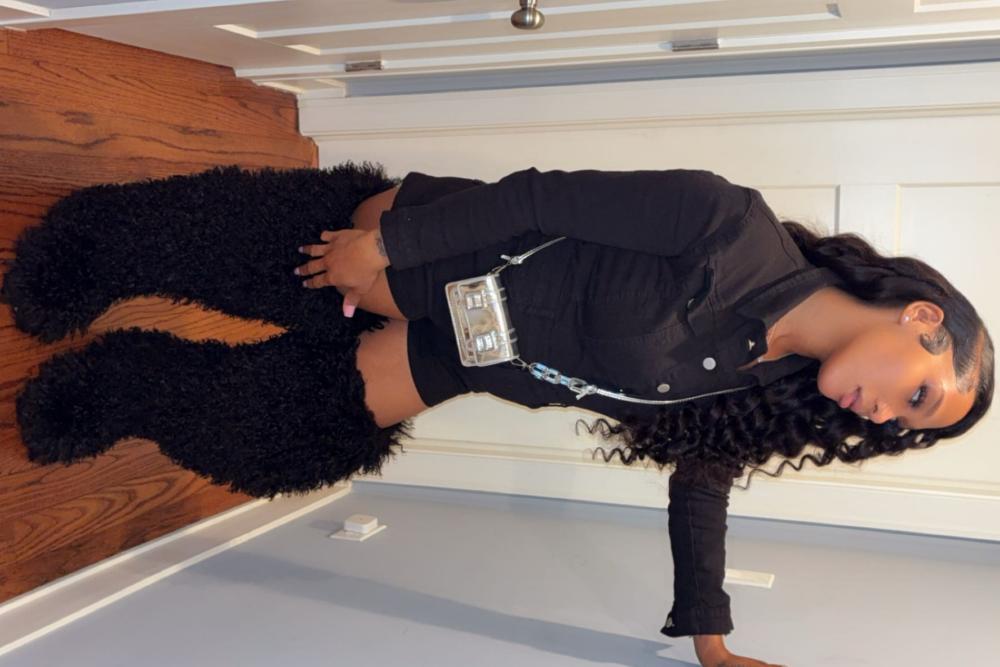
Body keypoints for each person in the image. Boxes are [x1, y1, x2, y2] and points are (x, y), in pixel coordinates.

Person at [296, 166, 995, 667]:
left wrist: (711, 645)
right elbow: (536, 197)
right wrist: (382, 246)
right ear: (921, 318)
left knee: (295, 431)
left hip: (465, 359)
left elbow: (703, 483)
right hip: (440, 257)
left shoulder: (773, 390)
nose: (883, 416)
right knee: (277, 273)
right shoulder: (729, 226)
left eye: (900, 426)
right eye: (917, 397)